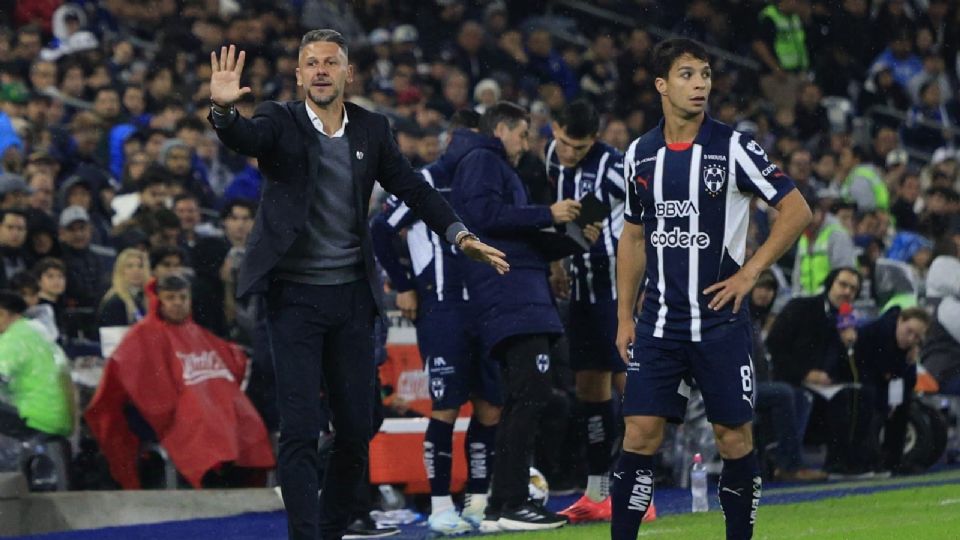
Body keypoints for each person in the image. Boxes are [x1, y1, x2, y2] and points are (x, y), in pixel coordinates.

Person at [206, 31, 506, 540]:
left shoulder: (372, 127)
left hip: (351, 298)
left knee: (356, 431)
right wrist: (222, 113)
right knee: (300, 430)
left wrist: (460, 234)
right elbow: (245, 138)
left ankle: (329, 529)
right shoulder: (279, 119)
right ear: (299, 76)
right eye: (310, 63)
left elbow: (412, 187)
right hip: (293, 297)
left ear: (348, 74)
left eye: (330, 62)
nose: (321, 70)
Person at [612, 39, 810, 540]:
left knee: (733, 438)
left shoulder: (734, 146)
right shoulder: (640, 153)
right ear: (662, 85)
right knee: (639, 434)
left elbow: (796, 210)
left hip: (719, 321)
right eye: (686, 74)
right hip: (658, 321)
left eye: (704, 74)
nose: (700, 84)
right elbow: (633, 236)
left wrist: (750, 272)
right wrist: (623, 317)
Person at [448, 100, 588, 531]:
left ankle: (504, 502)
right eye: (523, 134)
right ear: (502, 129)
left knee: (526, 397)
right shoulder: (482, 162)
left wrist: (574, 238)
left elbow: (519, 237)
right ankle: (510, 501)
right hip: (511, 297)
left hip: (520, 294)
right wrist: (548, 213)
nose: (527, 144)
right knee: (529, 396)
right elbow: (483, 218)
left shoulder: (497, 169)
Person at [370, 109, 502, 535]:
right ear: (452, 140)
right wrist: (404, 283)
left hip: (487, 308)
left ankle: (479, 503)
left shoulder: (490, 180)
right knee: (445, 407)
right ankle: (441, 506)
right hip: (443, 310)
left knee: (490, 407)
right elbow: (379, 228)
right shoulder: (425, 181)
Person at [543, 100, 653, 524]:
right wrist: (555, 265)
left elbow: (582, 227)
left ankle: (641, 489)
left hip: (613, 290)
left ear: (596, 139)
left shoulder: (615, 167)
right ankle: (596, 492)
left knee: (631, 384)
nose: (569, 153)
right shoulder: (552, 156)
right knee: (590, 389)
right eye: (566, 143)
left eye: (580, 146)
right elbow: (561, 225)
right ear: (555, 129)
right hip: (580, 291)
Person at [84, 274, 275, 489]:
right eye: (170, 298)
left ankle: (234, 475)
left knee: (245, 416)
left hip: (207, 405)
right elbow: (129, 378)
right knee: (205, 420)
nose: (177, 303)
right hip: (165, 413)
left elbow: (230, 363)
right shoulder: (143, 336)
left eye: (182, 298)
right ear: (159, 300)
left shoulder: (197, 332)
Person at [766, 268, 877, 477]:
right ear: (830, 284)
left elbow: (849, 367)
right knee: (841, 399)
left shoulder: (847, 320)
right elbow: (775, 345)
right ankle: (834, 465)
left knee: (865, 393)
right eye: (843, 285)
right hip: (795, 379)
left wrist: (848, 344)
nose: (847, 292)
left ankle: (857, 463)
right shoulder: (801, 307)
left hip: (828, 383)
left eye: (853, 289)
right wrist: (805, 374)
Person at [0, 289, 74, 440]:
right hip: (61, 418)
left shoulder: (13, 339)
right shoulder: (37, 329)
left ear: (3, 314)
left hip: (35, 418)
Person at [97, 248, 149, 327]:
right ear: (120, 271)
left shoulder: (145, 298)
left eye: (140, 266)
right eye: (129, 266)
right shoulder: (115, 301)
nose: (136, 270)